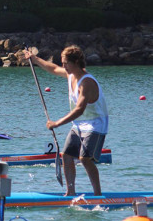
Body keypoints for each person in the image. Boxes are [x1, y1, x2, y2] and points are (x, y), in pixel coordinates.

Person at [24, 45, 108, 196]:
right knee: (67, 156)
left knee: (85, 158)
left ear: (76, 62)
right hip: (78, 124)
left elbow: (79, 109)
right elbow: (54, 69)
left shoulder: (86, 82)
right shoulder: (71, 75)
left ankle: (98, 195)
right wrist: (34, 59)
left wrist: (57, 123)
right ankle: (70, 192)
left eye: (66, 63)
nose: (63, 66)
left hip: (95, 124)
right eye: (62, 62)